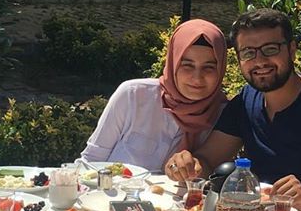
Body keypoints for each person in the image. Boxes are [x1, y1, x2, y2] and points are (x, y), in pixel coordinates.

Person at [166, 8, 301, 211]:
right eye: (248, 52)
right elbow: (209, 159)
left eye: (270, 49)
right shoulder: (246, 101)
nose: (259, 61)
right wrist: (187, 165)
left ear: (292, 50)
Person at [82, 19, 228, 173]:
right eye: (187, 65)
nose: (197, 78)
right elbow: (91, 160)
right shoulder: (133, 95)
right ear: (173, 63)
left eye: (209, 67)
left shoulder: (224, 117)